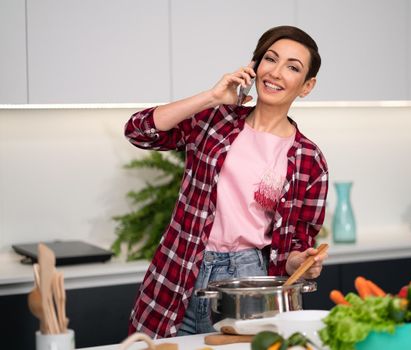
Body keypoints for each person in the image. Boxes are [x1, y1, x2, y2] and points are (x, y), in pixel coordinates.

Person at [124, 25, 329, 338]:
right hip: (181, 271)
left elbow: (298, 243)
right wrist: (212, 97)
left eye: (292, 67)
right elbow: (139, 131)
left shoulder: (309, 159)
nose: (276, 72)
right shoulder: (215, 121)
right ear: (255, 66)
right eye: (270, 60)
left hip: (250, 283)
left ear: (307, 85)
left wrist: (299, 261)